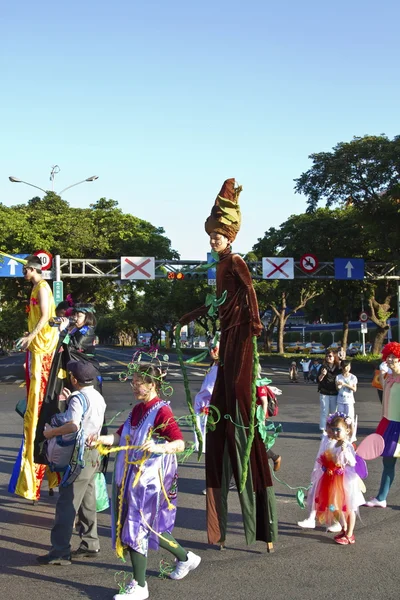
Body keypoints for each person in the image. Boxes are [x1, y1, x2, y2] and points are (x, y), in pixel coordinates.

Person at [179, 179, 277, 551]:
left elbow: (249, 291)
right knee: (222, 409)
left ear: (230, 235)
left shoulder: (235, 261)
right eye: (211, 235)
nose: (213, 240)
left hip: (241, 340)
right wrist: (188, 316)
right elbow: (216, 302)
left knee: (240, 402)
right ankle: (217, 530)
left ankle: (257, 450)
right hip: (227, 339)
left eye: (219, 234)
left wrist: (255, 322)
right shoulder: (218, 265)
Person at [96, 364, 201, 600]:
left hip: (150, 482)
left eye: (139, 382)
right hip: (132, 477)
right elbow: (120, 435)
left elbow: (180, 443)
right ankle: (186, 558)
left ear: (152, 384)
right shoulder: (138, 409)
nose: (134, 386)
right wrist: (100, 439)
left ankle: (140, 585)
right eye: (133, 381)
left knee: (137, 526)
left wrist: (158, 446)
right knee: (150, 528)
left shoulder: (162, 411)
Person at [37, 360, 106, 564]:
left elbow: (74, 426)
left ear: (74, 379)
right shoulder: (96, 396)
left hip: (79, 456)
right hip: (95, 452)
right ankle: (90, 543)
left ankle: (60, 552)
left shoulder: (78, 398)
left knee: (67, 504)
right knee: (87, 501)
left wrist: (51, 432)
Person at [9, 255, 59, 501]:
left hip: (42, 349)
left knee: (38, 411)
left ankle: (39, 477)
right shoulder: (36, 287)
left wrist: (31, 337)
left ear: (32, 269)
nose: (23, 274)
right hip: (36, 349)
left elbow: (46, 317)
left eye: (24, 270)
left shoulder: (43, 287)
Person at [34, 303, 102, 464]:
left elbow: (73, 347)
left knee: (85, 413)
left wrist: (63, 330)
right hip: (75, 376)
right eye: (75, 315)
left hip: (86, 377)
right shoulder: (76, 329)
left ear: (88, 318)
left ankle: (84, 448)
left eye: (79, 316)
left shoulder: (87, 331)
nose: (75, 318)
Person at [300, 412, 364, 544]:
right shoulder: (333, 444)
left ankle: (350, 534)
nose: (335, 432)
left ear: (347, 431)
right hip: (333, 479)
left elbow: (352, 463)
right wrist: (325, 467)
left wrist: (345, 453)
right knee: (333, 505)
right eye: (333, 429)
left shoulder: (347, 446)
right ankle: (343, 526)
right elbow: (329, 459)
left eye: (338, 430)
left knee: (349, 507)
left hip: (346, 481)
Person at [365, 342, 400, 508]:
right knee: (388, 462)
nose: (391, 360)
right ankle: (381, 497)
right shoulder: (389, 378)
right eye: (389, 357)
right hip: (389, 423)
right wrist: (382, 372)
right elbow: (380, 384)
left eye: (395, 357)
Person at [297, 426, 343, 534]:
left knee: (331, 501)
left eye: (332, 429)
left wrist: (332, 468)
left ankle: (337, 522)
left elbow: (339, 460)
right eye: (328, 428)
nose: (329, 431)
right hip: (321, 473)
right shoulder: (325, 439)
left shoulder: (337, 443)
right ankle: (311, 518)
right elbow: (320, 456)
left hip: (331, 476)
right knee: (314, 496)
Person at [193, 339, 220, 453]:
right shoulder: (215, 366)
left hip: (208, 403)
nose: (211, 352)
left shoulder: (217, 368)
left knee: (203, 427)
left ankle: (203, 445)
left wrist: (200, 400)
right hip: (207, 402)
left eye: (214, 349)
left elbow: (209, 389)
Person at [317, 351, 340, 434]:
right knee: (324, 411)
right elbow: (318, 380)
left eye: (330, 356)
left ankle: (332, 429)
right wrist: (323, 375)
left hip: (334, 393)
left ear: (334, 357)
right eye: (326, 356)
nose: (328, 358)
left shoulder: (338, 368)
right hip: (324, 393)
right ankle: (324, 430)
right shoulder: (323, 367)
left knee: (333, 413)